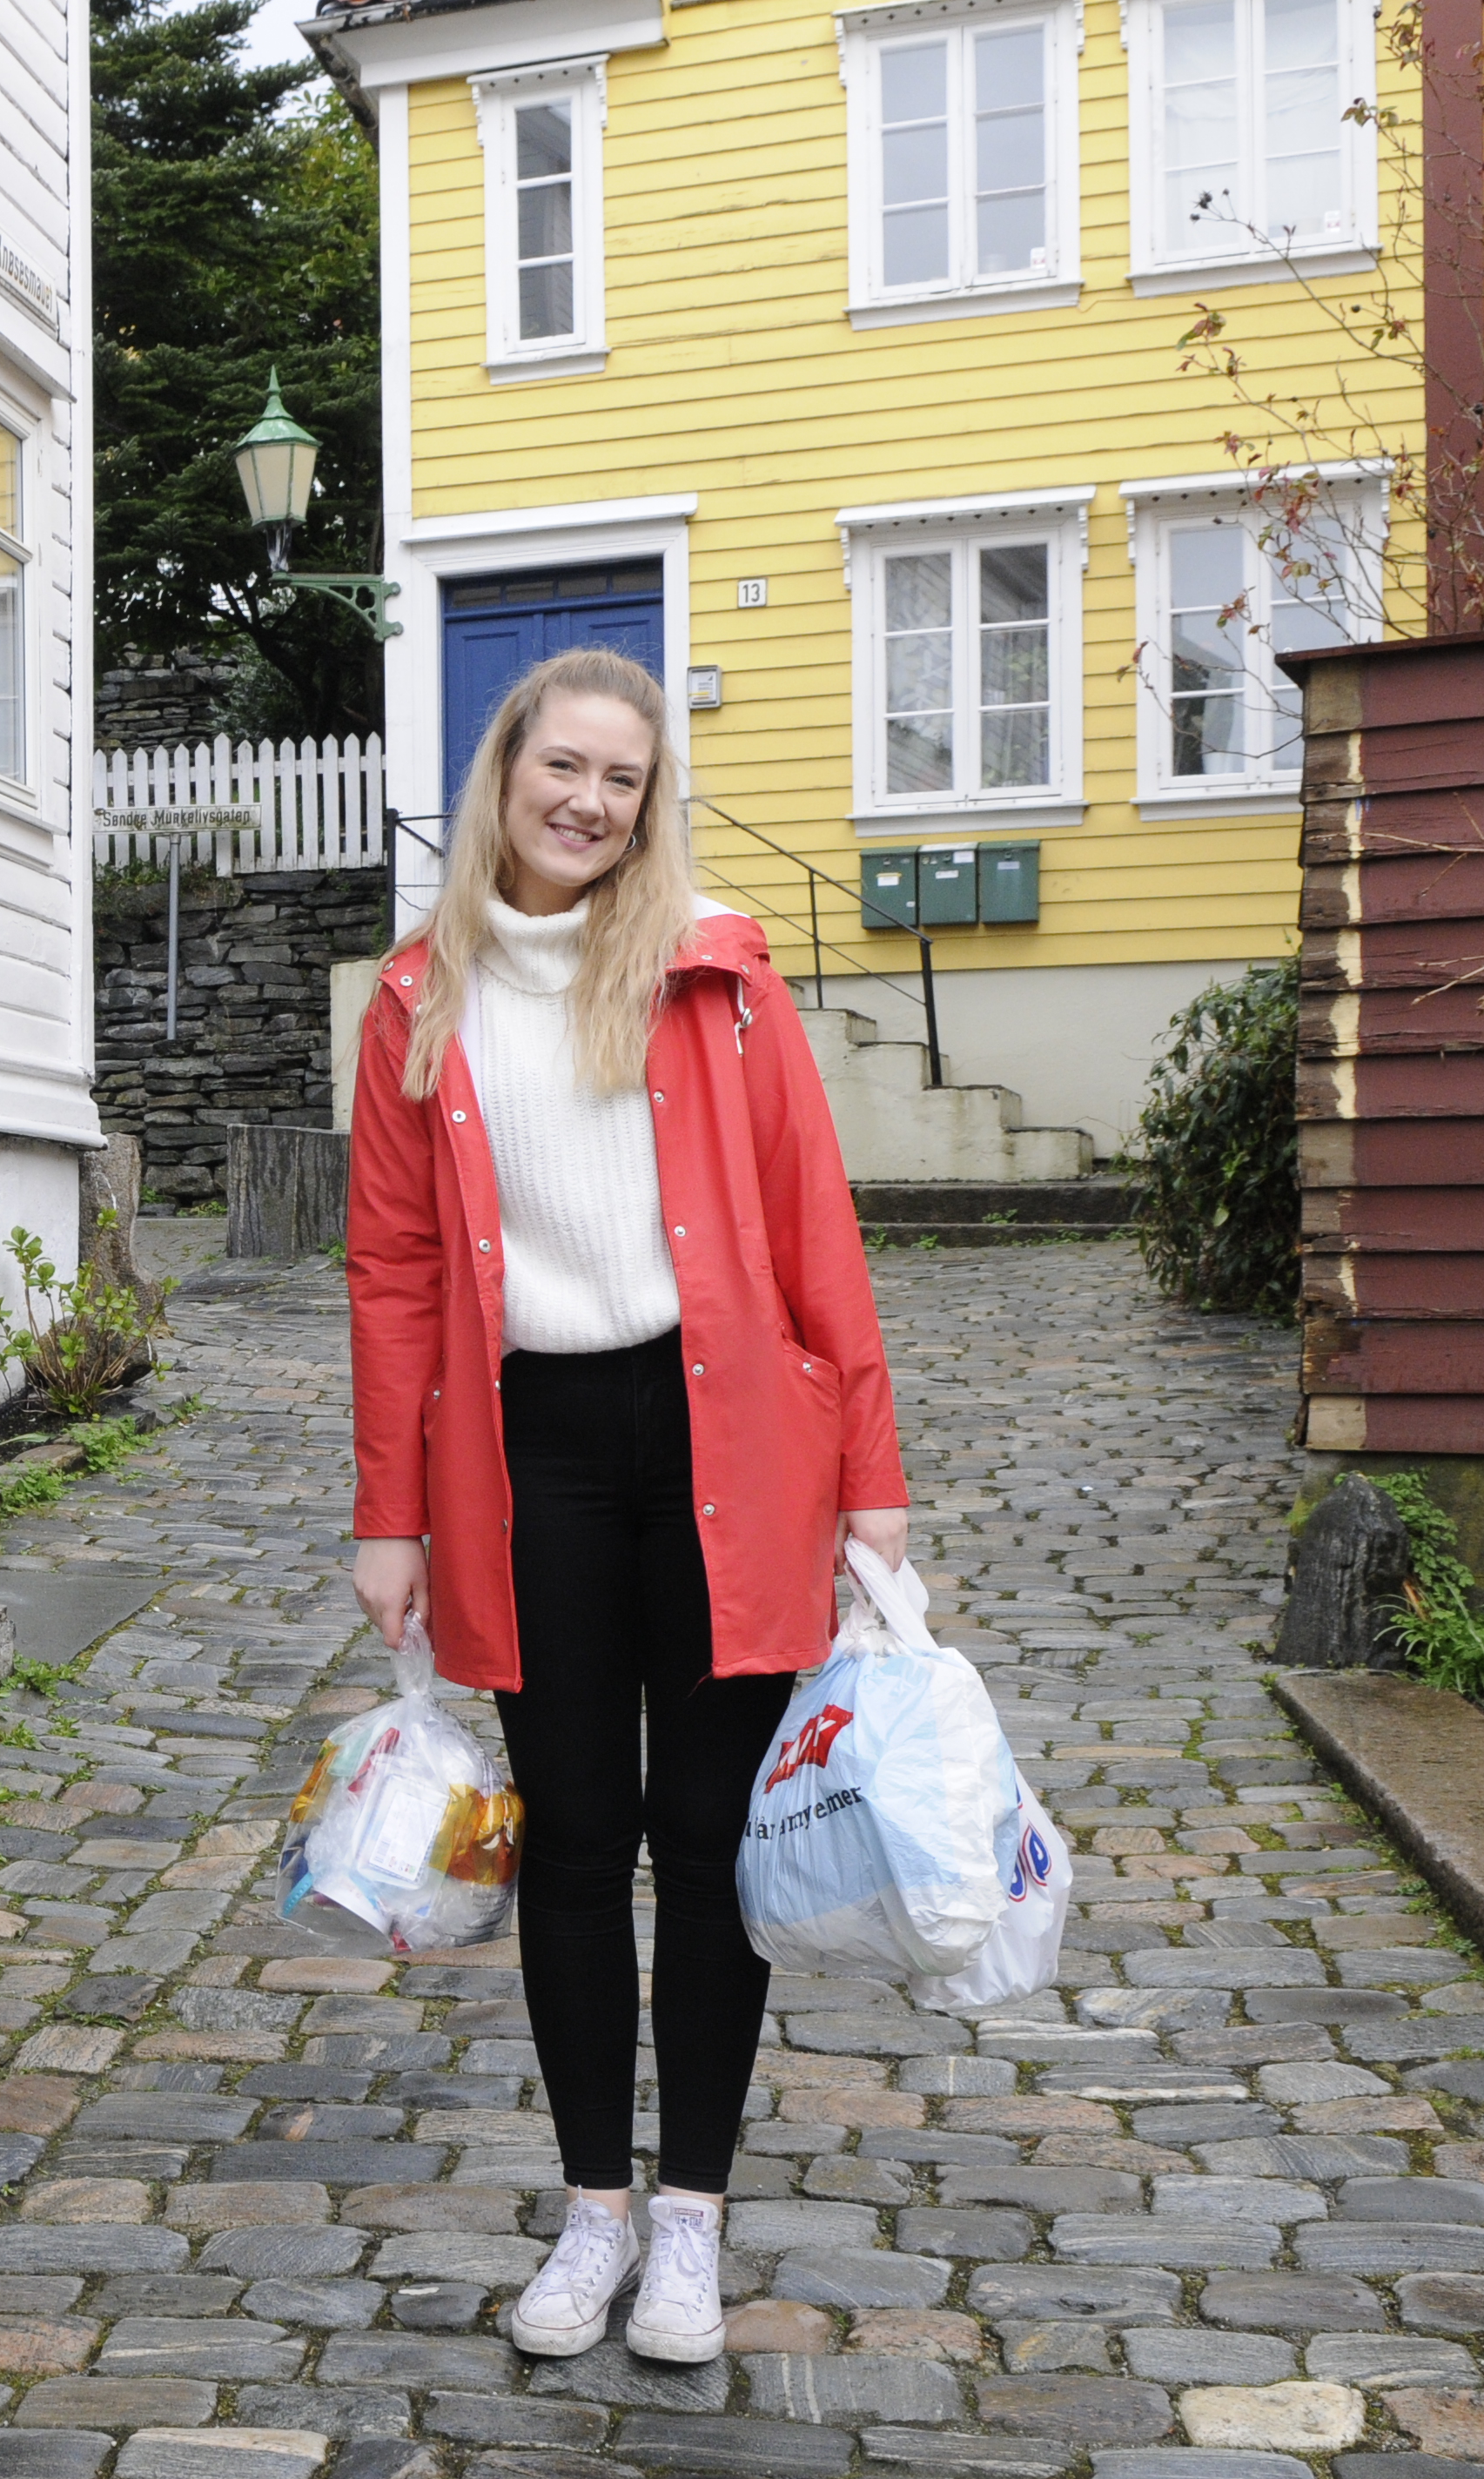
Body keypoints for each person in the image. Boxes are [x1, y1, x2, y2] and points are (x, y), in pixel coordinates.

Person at [343, 645, 908, 2363]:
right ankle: (591, 2208)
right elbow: (388, 1264)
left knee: (709, 1842)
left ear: (648, 804)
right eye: (561, 767)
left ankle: (690, 2221)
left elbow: (817, 1231)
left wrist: (871, 1488)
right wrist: (388, 1509)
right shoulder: (415, 996)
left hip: (723, 1439)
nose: (587, 802)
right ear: (504, 771)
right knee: (576, 1837)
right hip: (528, 1454)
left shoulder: (714, 977)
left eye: (621, 780)